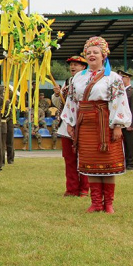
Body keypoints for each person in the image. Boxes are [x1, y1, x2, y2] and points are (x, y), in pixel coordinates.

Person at [60, 37, 132, 213]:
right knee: (90, 164)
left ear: (103, 55)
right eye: (89, 52)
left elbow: (119, 101)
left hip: (105, 123)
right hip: (85, 125)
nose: (92, 55)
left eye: (95, 52)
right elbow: (72, 101)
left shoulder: (113, 78)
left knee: (108, 163)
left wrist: (117, 125)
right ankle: (96, 203)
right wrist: (70, 123)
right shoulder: (78, 78)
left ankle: (108, 204)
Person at [54, 55, 90, 197]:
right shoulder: (67, 82)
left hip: (83, 122)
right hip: (67, 123)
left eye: (77, 64)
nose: (73, 67)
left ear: (84, 67)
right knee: (69, 158)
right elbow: (59, 105)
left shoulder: (89, 81)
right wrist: (57, 95)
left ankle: (84, 189)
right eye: (71, 65)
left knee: (84, 158)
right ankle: (71, 188)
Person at [117, 70, 133, 170]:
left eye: (122, 78)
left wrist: (131, 124)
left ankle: (131, 164)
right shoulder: (118, 92)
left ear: (128, 78)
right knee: (121, 145)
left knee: (130, 144)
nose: (121, 80)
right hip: (120, 123)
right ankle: (123, 162)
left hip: (128, 123)